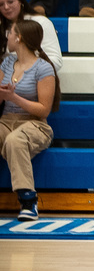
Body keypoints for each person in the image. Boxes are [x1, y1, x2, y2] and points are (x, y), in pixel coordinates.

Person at [0, 19, 61, 222]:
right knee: (9, 138)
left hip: (35, 124)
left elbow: (44, 110)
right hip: (6, 120)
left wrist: (14, 97)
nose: (7, 36)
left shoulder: (44, 68)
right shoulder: (7, 63)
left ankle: (28, 200)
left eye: (10, 33)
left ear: (19, 38)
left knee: (14, 141)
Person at [0, 0, 62, 71]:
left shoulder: (41, 22)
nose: (6, 7)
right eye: (1, 4)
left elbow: (56, 62)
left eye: (10, 2)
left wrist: (23, 70)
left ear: (20, 1)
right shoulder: (2, 25)